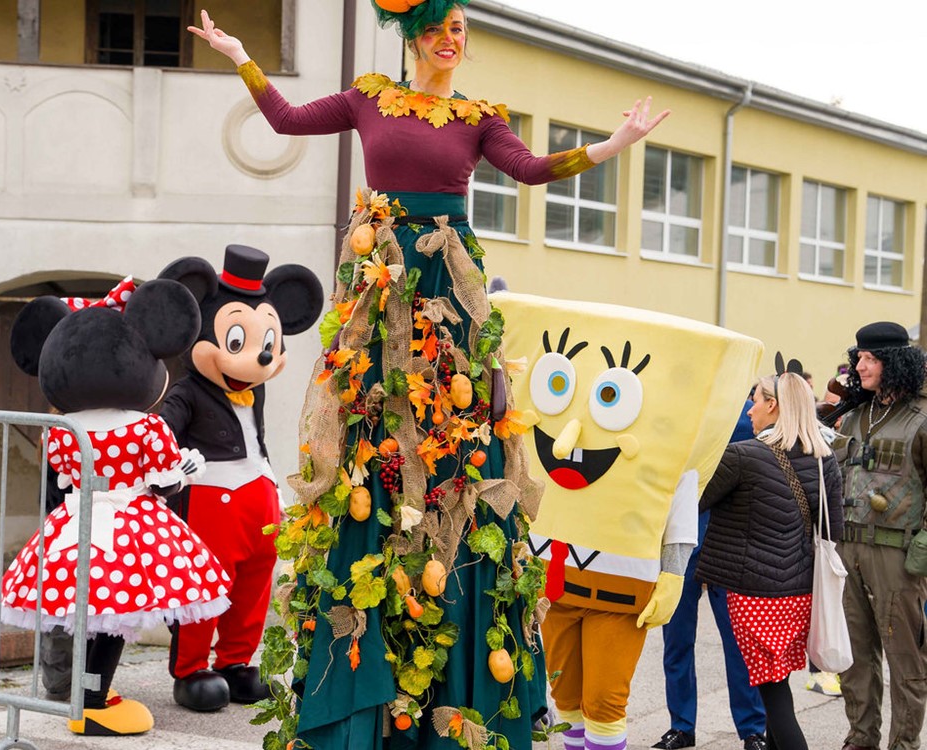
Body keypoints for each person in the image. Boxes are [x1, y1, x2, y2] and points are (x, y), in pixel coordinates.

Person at [189, 3, 668, 748]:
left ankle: (459, 664)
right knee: (372, 430)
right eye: (441, 28)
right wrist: (239, 55)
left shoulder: (478, 117)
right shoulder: (368, 97)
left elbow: (532, 169)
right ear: (413, 35)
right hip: (380, 276)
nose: (452, 40)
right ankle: (364, 668)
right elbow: (285, 119)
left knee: (458, 438)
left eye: (461, 30)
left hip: (448, 281)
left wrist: (614, 144)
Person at [697, 369, 844, 750]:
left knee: (775, 698)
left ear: (773, 405)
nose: (750, 410)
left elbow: (698, 499)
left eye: (756, 401)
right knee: (778, 686)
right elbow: (833, 530)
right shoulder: (824, 459)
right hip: (799, 594)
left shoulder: (742, 456)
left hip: (754, 596)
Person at [654, 398, 768, 750]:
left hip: (728, 543)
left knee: (738, 643)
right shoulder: (671, 406)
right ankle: (681, 725)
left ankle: (753, 728)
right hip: (679, 542)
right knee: (676, 641)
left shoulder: (744, 411)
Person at [834, 321, 927, 750]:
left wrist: (922, 547)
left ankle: (904, 744)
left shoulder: (920, 420)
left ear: (895, 363)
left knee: (905, 658)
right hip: (847, 548)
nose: (861, 366)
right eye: (859, 358)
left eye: (871, 359)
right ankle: (861, 737)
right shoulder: (853, 416)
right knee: (853, 654)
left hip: (897, 556)